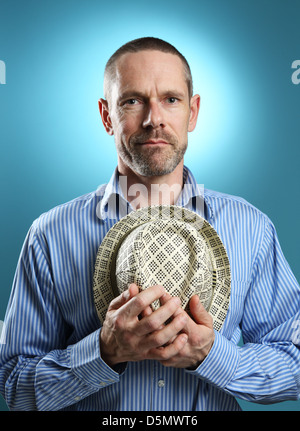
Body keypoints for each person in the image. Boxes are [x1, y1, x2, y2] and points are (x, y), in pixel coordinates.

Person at [0, 37, 299, 411]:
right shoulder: (50, 234)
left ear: (192, 112)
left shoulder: (250, 228)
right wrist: (102, 353)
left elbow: (296, 362)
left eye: (171, 99)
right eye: (132, 101)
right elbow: (14, 385)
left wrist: (214, 356)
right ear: (107, 115)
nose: (153, 117)